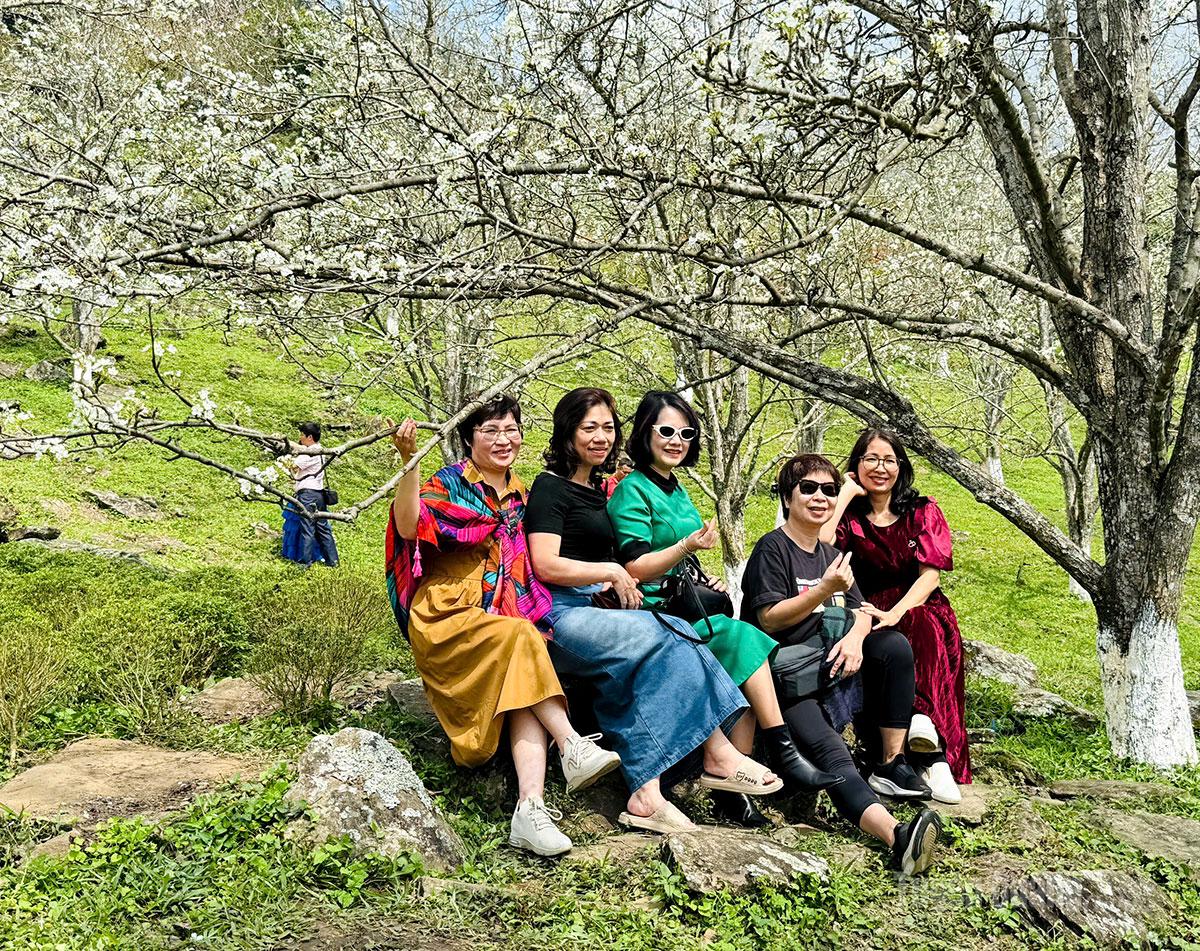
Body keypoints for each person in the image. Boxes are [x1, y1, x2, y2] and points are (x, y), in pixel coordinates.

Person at [525, 387, 781, 834]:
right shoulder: (551, 487)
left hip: (599, 610)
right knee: (670, 632)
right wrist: (610, 570)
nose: (601, 436)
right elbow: (545, 563)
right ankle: (717, 754)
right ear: (567, 432)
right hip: (561, 615)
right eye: (589, 428)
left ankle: (646, 794)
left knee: (656, 653)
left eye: (608, 427)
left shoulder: (598, 488)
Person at [386, 396, 621, 857]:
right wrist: (408, 462)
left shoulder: (523, 497)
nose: (503, 439)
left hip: (502, 615)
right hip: (448, 615)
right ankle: (571, 742)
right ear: (468, 438)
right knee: (520, 636)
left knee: (520, 656)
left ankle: (529, 810)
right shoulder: (448, 484)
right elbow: (411, 525)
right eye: (490, 430)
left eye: (510, 429)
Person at [607, 391, 842, 827]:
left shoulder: (675, 488)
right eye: (666, 431)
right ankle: (780, 753)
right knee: (743, 639)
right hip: (652, 614)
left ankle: (737, 789)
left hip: (682, 604)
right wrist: (685, 548)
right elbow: (635, 564)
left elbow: (683, 556)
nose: (677, 440)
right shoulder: (632, 490)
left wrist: (699, 573)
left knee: (745, 649)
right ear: (645, 433)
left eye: (686, 433)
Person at [742, 454, 942, 877]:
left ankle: (892, 763)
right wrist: (824, 591)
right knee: (834, 757)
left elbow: (860, 609)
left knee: (892, 646)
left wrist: (856, 633)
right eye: (809, 489)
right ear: (787, 497)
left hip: (832, 670)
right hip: (789, 684)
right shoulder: (772, 548)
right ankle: (897, 836)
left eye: (830, 490)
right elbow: (769, 618)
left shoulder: (832, 553)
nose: (820, 497)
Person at [820, 428, 970, 803]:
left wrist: (897, 611)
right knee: (890, 640)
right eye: (870, 459)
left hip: (917, 604)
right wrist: (843, 496)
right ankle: (921, 745)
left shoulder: (922, 510)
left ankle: (930, 745)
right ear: (856, 465)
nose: (880, 468)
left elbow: (930, 575)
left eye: (889, 460)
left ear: (901, 467)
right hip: (865, 608)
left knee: (917, 625)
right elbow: (818, 546)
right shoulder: (849, 517)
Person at [292, 422, 339, 567]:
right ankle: (333, 561)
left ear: (309, 437)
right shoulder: (320, 451)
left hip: (307, 494)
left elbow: (294, 466)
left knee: (307, 527)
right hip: (318, 494)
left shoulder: (310, 452)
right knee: (323, 528)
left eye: (302, 434)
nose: (300, 438)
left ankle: (306, 562)